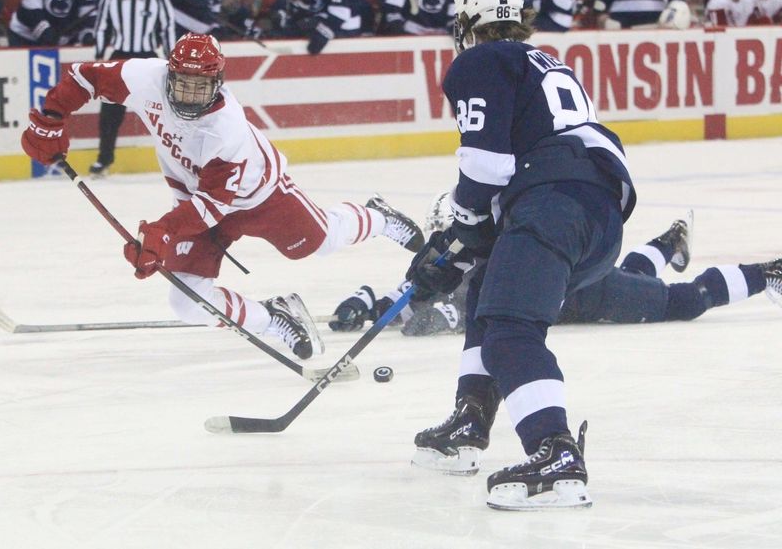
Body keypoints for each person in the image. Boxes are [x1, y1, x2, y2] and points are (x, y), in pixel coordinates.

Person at [19, 33, 425, 361]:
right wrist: (51, 118)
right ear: (169, 75)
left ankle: (378, 216)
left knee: (320, 242)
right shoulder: (145, 76)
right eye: (183, 84)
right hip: (193, 200)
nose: (191, 95)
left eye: (202, 87)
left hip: (258, 196)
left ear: (218, 84)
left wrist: (161, 233)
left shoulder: (225, 129)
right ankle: (273, 318)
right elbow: (83, 77)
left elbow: (213, 205)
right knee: (187, 302)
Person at [401, 0, 637, 511]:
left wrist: (453, 236)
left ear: (464, 26)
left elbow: (485, 169)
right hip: (595, 215)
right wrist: (458, 254)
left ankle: (555, 452)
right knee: (488, 291)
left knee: (510, 331)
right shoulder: (544, 61)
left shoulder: (480, 59)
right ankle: (470, 420)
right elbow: (503, 187)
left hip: (553, 202)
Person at [330, 200, 782, 336]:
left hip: (590, 291)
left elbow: (489, 300)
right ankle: (669, 242)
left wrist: (449, 316)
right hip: (585, 287)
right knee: (639, 275)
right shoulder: (459, 249)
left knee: (685, 300)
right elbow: (411, 296)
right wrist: (365, 304)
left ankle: (769, 272)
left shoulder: (505, 248)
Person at [88, 0, 176, 178]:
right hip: (119, 56)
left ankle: (176, 161)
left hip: (148, 57)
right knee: (110, 112)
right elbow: (102, 26)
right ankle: (104, 159)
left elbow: (168, 27)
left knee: (163, 111)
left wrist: (171, 58)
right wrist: (99, 54)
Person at [266, 0, 364, 55]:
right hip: (326, 20)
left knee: (303, 26)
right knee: (297, 25)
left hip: (344, 31)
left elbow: (339, 17)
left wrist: (324, 30)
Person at [7, 0, 97, 47]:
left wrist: (87, 36)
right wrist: (47, 33)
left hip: (65, 38)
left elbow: (89, 20)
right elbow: (32, 15)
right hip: (24, 37)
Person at [378, 0, 454, 36]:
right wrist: (412, 29)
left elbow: (455, 18)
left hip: (443, 39)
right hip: (410, 40)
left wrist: (446, 31)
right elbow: (392, 13)